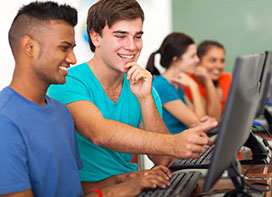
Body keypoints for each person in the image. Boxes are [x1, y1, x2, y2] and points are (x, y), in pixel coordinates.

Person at [0, 2, 172, 197]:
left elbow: (69, 190)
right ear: (29, 47)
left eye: (137, 36)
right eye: (64, 48)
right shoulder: (5, 121)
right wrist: (117, 191)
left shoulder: (59, 111)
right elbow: (99, 133)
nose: (73, 59)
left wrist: (126, 180)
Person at [48, 0, 217, 187]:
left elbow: (162, 159)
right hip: (88, 193)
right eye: (121, 36)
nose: (132, 46)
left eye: (137, 36)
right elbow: (98, 132)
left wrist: (145, 98)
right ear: (95, 37)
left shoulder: (144, 87)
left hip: (133, 187)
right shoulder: (68, 81)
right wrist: (173, 142)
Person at [146, 32, 213, 134]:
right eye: (192, 56)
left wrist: (206, 122)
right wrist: (193, 86)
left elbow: (200, 119)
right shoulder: (162, 85)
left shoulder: (176, 85)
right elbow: (197, 123)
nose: (197, 60)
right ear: (176, 60)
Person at [182, 41, 232, 120]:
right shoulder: (188, 82)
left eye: (222, 61)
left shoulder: (226, 78)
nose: (219, 66)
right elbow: (215, 118)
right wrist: (207, 81)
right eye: (212, 60)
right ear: (198, 62)